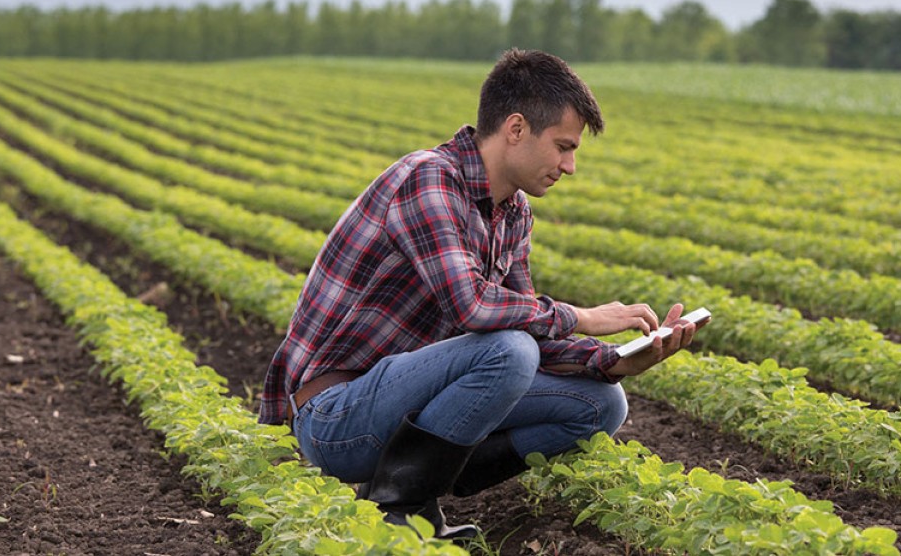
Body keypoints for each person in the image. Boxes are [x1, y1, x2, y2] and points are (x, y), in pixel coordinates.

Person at [258, 48, 704, 540]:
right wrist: (582, 316)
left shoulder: (512, 213)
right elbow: (473, 307)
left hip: (406, 404)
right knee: (508, 351)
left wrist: (617, 360)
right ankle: (402, 509)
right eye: (562, 146)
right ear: (515, 129)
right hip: (338, 417)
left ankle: (435, 473)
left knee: (603, 404)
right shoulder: (427, 179)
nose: (570, 165)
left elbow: (526, 322)